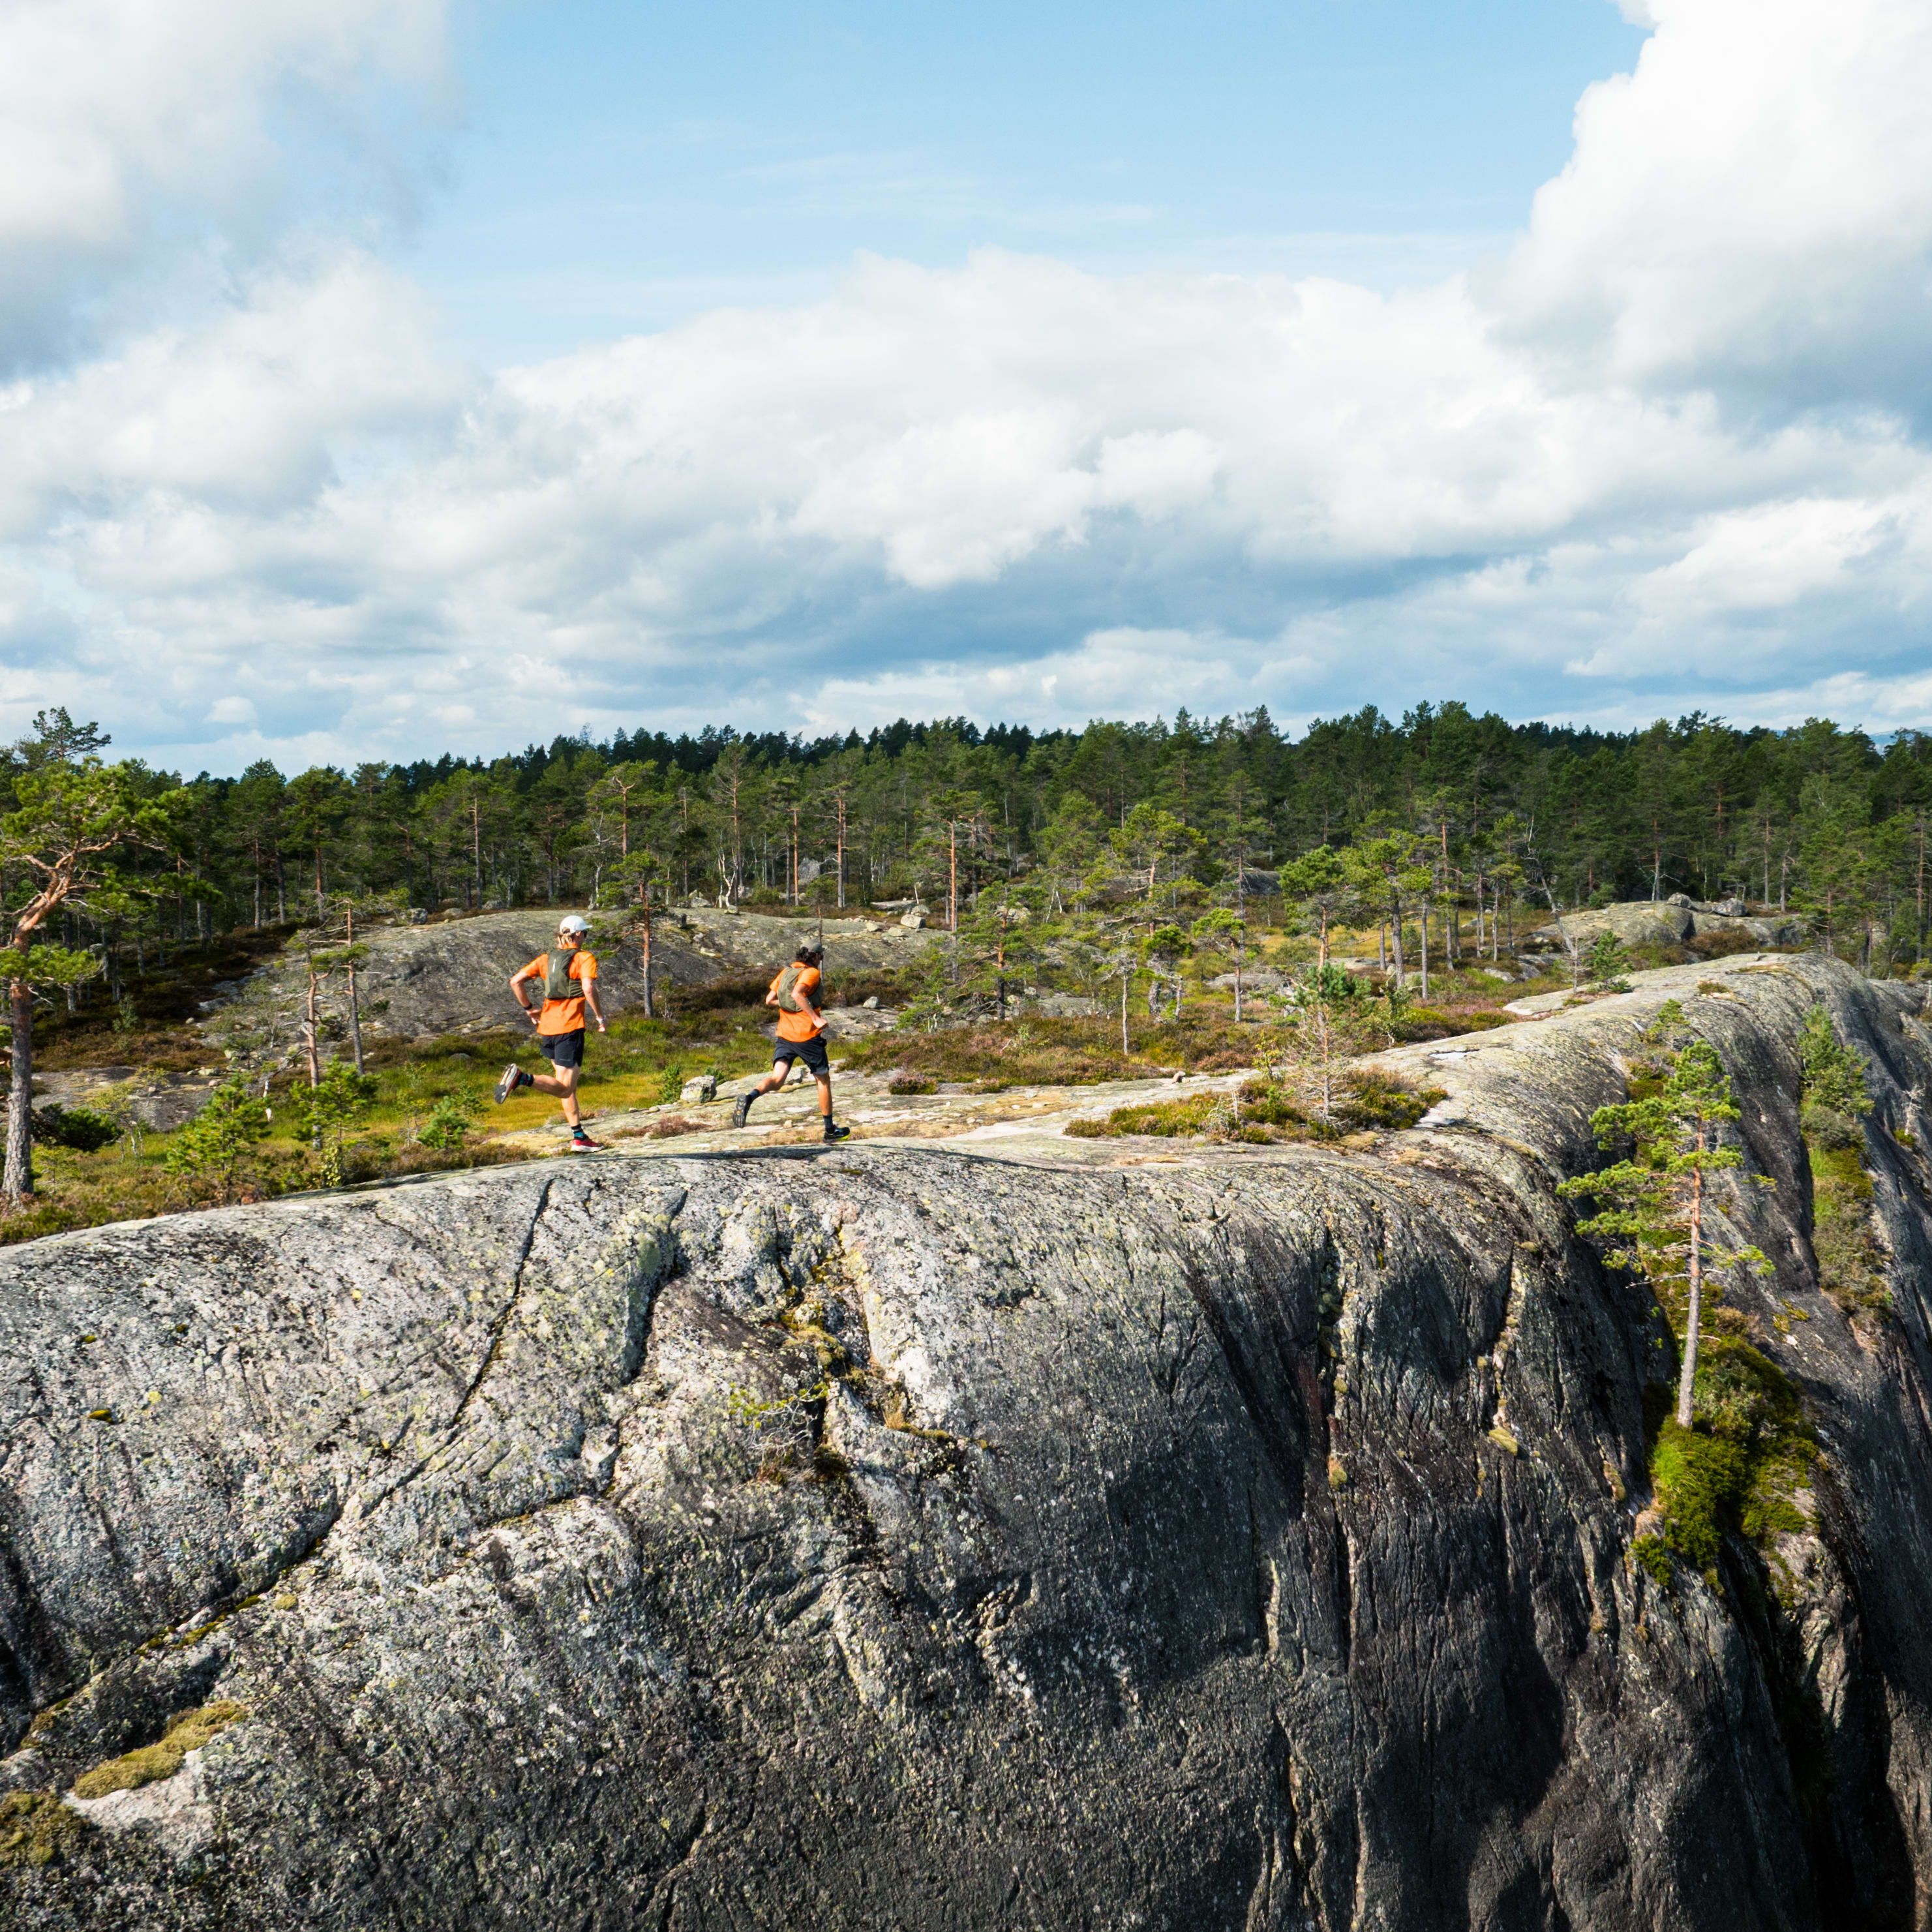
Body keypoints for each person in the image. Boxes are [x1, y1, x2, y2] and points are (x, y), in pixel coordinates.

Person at [495, 913, 609, 1151]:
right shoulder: (584, 958)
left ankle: (579, 1137)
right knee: (566, 1087)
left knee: (565, 1086)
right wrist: (600, 1016)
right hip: (570, 1027)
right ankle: (522, 1079)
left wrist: (529, 1009)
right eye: (585, 933)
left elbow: (516, 981)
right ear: (578, 935)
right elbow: (588, 987)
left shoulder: (546, 959)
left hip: (548, 1028)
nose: (585, 938)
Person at [732, 941, 851, 1142]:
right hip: (807, 1037)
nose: (821, 960)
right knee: (823, 1080)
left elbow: (769, 1000)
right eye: (820, 957)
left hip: (785, 1036)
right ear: (814, 956)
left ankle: (750, 1097)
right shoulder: (812, 973)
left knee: (777, 1080)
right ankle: (830, 1131)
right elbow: (797, 993)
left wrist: (791, 1003)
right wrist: (815, 1017)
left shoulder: (787, 971)